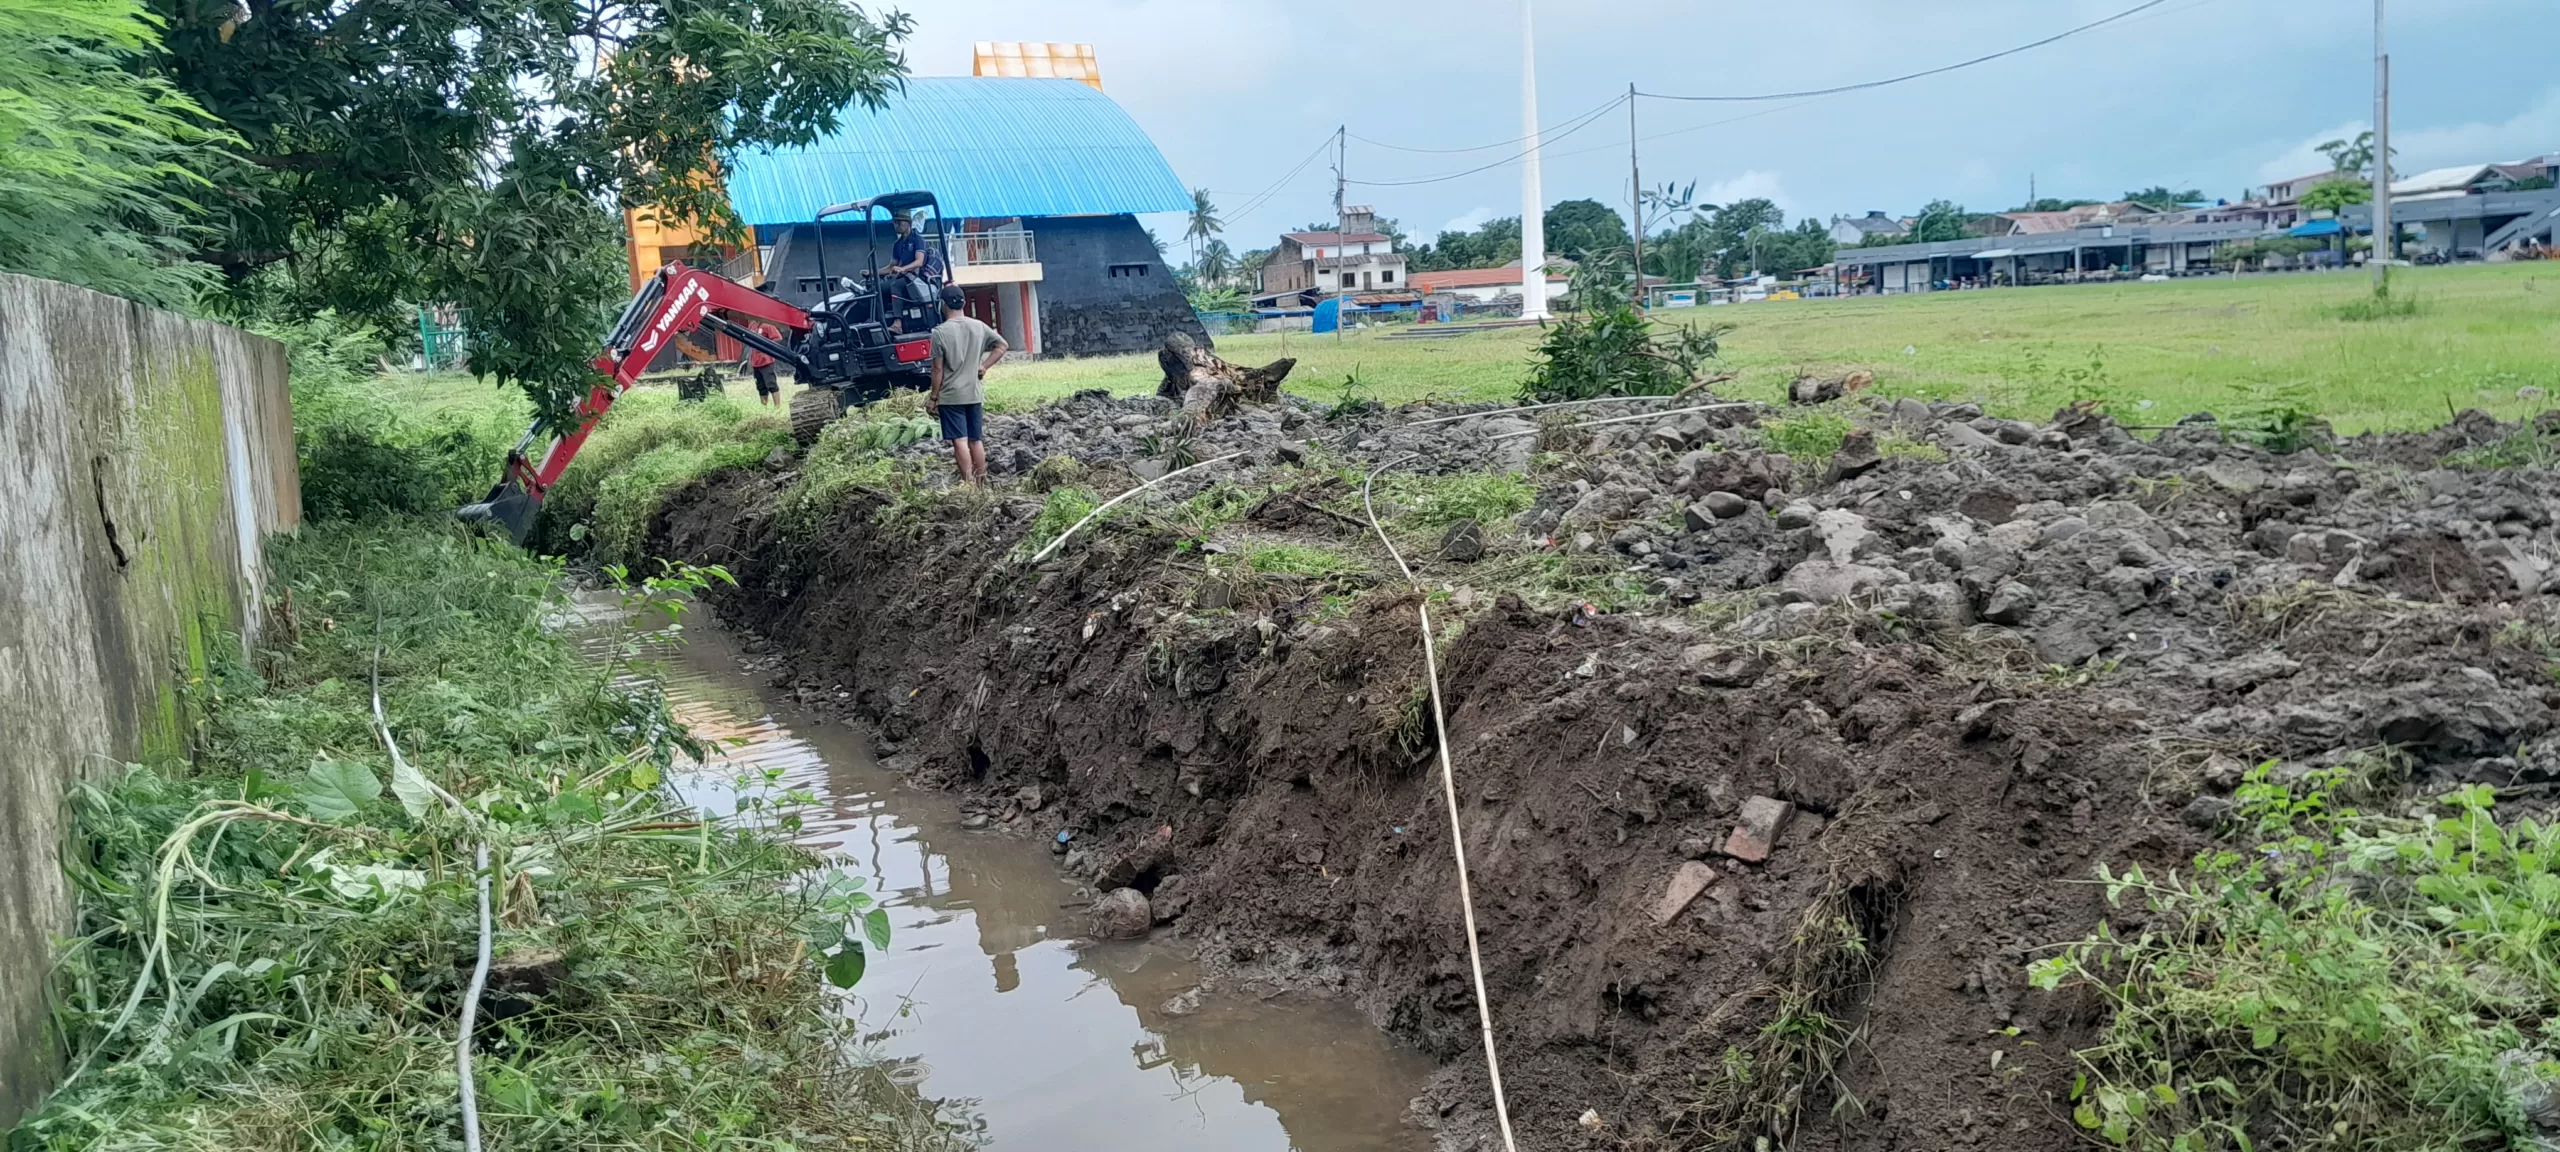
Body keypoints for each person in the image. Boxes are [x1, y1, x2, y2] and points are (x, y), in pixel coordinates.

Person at [928, 283, 1005, 486]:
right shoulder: (978, 326)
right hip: (974, 393)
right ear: (963, 302)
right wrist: (984, 366)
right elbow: (1002, 345)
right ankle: (981, 482)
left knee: (960, 441)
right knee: (975, 440)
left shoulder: (939, 333)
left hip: (951, 396)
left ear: (942, 305)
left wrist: (933, 397)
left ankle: (968, 483)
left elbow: (937, 370)